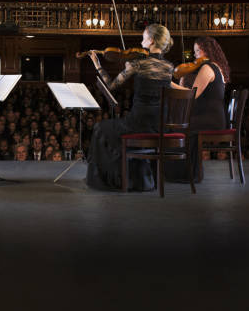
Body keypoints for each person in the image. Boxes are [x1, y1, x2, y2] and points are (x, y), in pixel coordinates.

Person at [85, 24, 176, 191]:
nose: (141, 41)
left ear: (152, 41)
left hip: (138, 123)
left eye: (144, 37)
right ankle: (138, 178)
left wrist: (98, 66)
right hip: (159, 125)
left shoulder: (137, 63)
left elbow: (111, 85)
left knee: (100, 127)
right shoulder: (169, 67)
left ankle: (115, 179)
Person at [167, 36, 230, 182]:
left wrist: (168, 83)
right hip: (215, 119)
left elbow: (191, 95)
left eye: (197, 51)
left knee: (177, 129)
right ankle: (190, 172)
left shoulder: (208, 68)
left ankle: (185, 174)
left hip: (210, 121)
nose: (194, 55)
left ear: (205, 51)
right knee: (181, 126)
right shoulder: (217, 67)